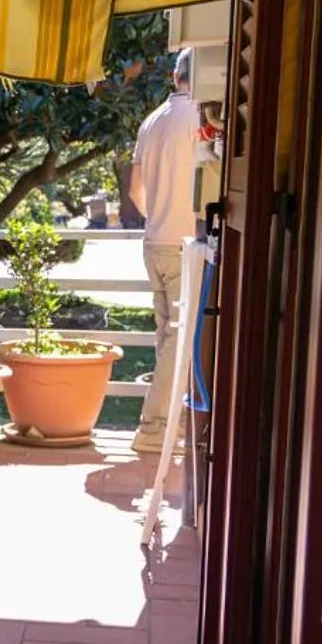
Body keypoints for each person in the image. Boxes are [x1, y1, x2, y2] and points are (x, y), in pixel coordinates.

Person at [128, 46, 199, 456]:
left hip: (153, 242)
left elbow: (135, 189)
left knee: (166, 339)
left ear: (175, 77)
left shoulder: (151, 121)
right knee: (179, 339)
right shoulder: (201, 121)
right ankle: (154, 428)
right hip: (182, 246)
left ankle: (172, 425)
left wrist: (156, 215)